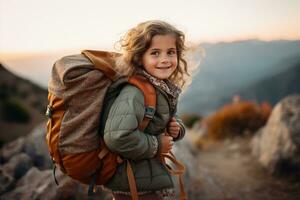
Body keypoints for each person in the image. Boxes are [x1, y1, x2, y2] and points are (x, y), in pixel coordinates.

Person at [102, 20, 189, 200]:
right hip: (132, 184)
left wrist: (177, 127)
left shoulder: (159, 88)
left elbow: (166, 117)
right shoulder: (134, 93)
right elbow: (117, 137)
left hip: (145, 178)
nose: (165, 59)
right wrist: (157, 145)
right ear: (139, 57)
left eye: (171, 52)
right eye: (155, 53)